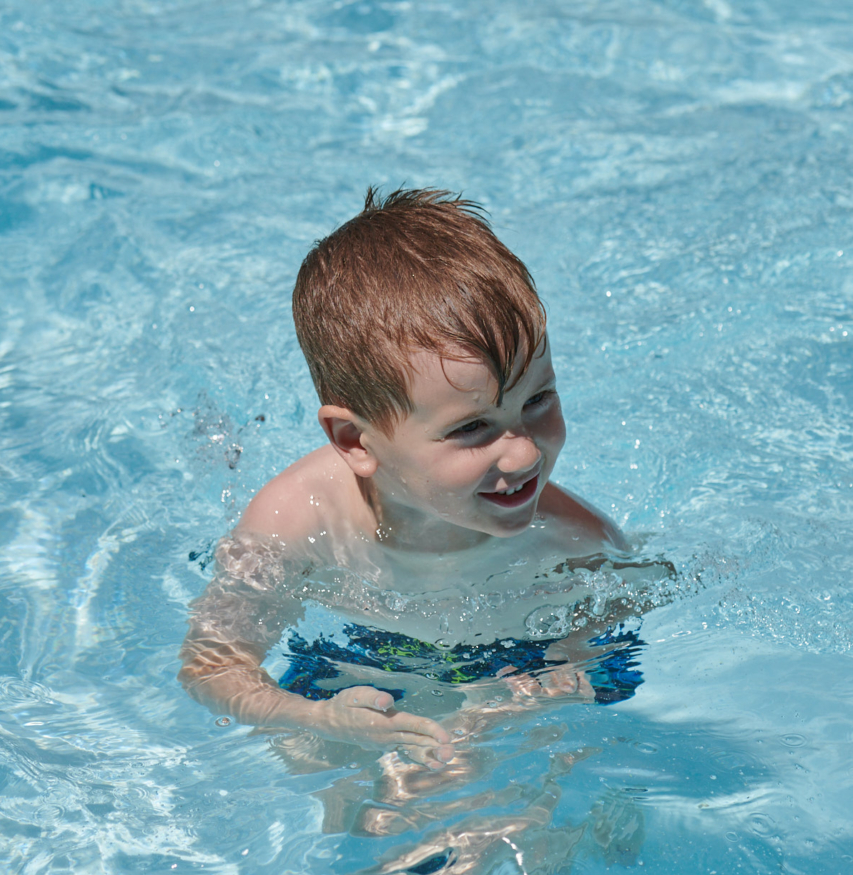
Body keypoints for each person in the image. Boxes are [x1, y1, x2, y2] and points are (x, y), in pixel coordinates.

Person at [179, 187, 649, 773]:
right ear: (356, 441)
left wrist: (566, 667)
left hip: (510, 658)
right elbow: (212, 667)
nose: (524, 452)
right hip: (353, 659)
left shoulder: (576, 542)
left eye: (538, 400)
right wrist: (319, 719)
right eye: (473, 427)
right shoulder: (294, 522)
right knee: (325, 765)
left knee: (562, 756)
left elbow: (612, 627)